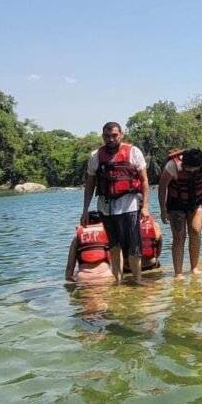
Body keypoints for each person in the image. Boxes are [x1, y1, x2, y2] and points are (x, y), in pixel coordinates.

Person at [81, 122, 150, 284]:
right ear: (102, 136)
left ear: (121, 135)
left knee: (134, 245)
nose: (111, 139)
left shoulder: (133, 152)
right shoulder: (95, 156)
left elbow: (144, 181)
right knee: (114, 245)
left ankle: (137, 279)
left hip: (129, 205)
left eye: (114, 135)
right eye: (107, 136)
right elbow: (90, 184)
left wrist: (145, 206)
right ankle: (117, 280)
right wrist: (85, 210)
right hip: (106, 207)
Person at [159, 147, 202, 278]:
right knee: (179, 237)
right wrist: (163, 210)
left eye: (195, 168)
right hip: (176, 204)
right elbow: (162, 188)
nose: (192, 171)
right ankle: (178, 273)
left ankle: (194, 268)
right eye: (189, 168)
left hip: (195, 201)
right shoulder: (172, 166)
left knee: (196, 231)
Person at [65, 212, 114, 284]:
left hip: (84, 278)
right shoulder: (108, 236)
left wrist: (69, 282)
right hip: (105, 276)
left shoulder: (76, 240)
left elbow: (70, 267)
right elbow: (117, 259)